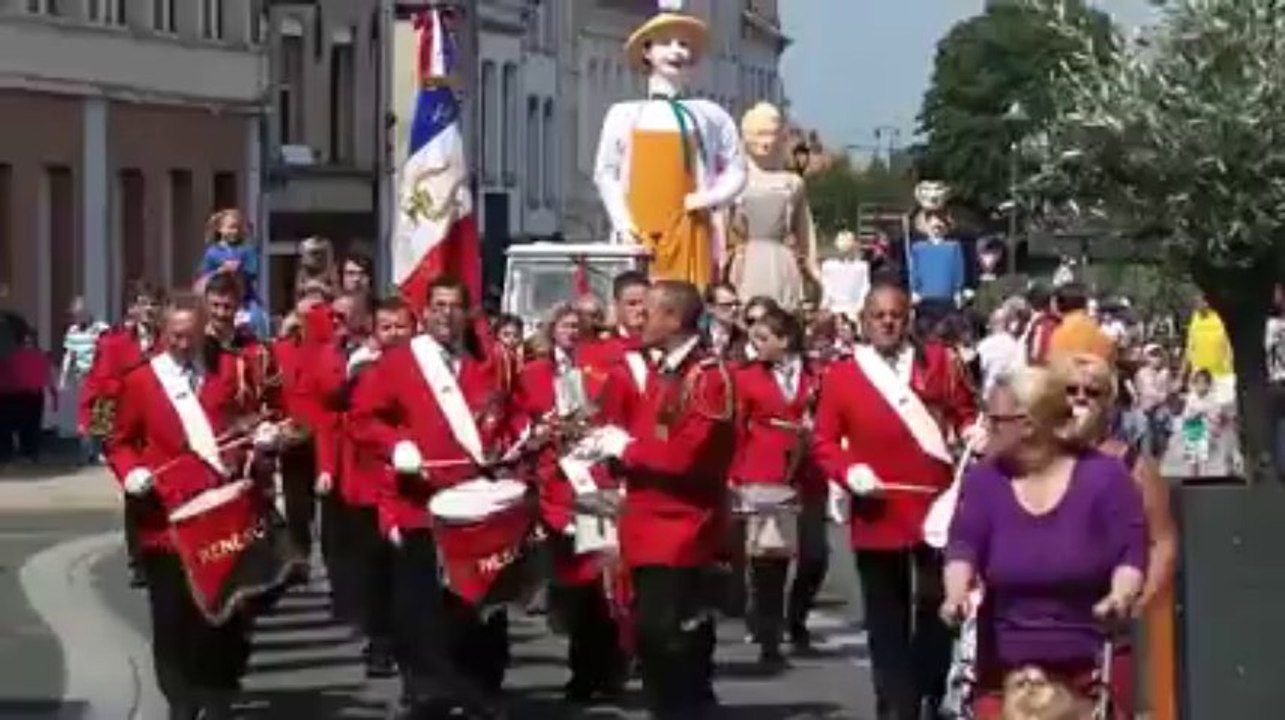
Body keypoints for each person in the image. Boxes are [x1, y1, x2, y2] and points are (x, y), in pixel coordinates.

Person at [348, 276, 518, 719]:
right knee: (422, 607)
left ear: (468, 313)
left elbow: (511, 416)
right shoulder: (401, 362)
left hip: (480, 505)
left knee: (481, 603)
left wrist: (514, 446)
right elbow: (363, 418)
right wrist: (396, 445)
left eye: (455, 305)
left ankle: (482, 687)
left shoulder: (488, 361)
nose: (446, 314)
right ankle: (428, 691)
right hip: (420, 504)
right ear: (424, 313)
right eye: (438, 305)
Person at [104, 293, 278, 719]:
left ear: (203, 331)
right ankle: (180, 699)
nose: (183, 344)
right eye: (175, 336)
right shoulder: (141, 380)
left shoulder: (227, 371)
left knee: (224, 614)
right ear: (164, 334)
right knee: (173, 616)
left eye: (190, 335)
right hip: (168, 521)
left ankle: (217, 694)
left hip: (223, 514)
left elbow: (247, 419)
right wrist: (130, 473)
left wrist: (261, 439)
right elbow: (118, 440)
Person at [812, 280, 977, 720]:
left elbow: (966, 415)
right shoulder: (842, 374)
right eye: (878, 315)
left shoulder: (940, 363)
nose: (887, 322)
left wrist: (971, 434)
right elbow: (823, 441)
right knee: (885, 614)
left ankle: (929, 689)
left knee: (935, 606)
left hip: (934, 508)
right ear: (864, 322)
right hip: (877, 506)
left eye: (896, 315)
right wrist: (848, 471)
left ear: (908, 320)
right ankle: (895, 699)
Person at [942, 365, 1147, 719]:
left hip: (1088, 662)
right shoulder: (985, 480)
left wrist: (1119, 596)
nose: (984, 428)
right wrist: (956, 595)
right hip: (1005, 667)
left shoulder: (1105, 477)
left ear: (1029, 424)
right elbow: (964, 545)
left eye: (994, 420)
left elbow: (1131, 552)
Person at [573, 279, 737, 718]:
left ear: (674, 319)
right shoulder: (666, 370)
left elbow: (686, 455)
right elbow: (655, 435)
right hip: (648, 521)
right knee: (649, 636)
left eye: (649, 310)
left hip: (681, 524)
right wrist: (612, 453)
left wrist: (624, 447)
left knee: (665, 635)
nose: (639, 319)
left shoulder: (706, 377)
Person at [519, 304, 630, 703]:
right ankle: (582, 669)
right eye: (564, 325)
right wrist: (540, 430)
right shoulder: (531, 374)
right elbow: (521, 427)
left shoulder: (602, 371)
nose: (570, 331)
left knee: (600, 583)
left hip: (595, 485)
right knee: (570, 583)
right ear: (551, 330)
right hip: (555, 488)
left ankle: (604, 668)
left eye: (577, 326)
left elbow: (618, 418)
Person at [594, 1, 747, 291]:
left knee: (687, 300)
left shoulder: (707, 115)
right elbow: (606, 173)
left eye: (683, 44)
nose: (676, 51)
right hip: (640, 232)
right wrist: (623, 224)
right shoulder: (624, 114)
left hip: (690, 230)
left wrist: (708, 198)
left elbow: (738, 170)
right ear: (647, 52)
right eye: (666, 43)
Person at [732, 306, 829, 667]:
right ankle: (769, 637)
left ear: (785, 340)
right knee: (769, 559)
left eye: (763, 339)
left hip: (810, 473)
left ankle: (797, 618)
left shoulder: (818, 375)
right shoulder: (747, 377)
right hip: (765, 474)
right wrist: (736, 474)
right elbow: (738, 428)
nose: (754, 346)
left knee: (814, 555)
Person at [336, 296, 416, 680]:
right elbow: (356, 423)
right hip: (371, 487)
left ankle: (413, 643)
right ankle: (380, 643)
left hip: (415, 487)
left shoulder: (426, 369)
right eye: (387, 327)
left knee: (412, 572)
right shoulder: (364, 371)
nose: (395, 333)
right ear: (374, 332)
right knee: (376, 572)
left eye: (401, 326)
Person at [82, 280, 163, 586]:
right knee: (136, 492)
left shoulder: (169, 341)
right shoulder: (114, 344)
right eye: (143, 303)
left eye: (155, 304)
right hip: (126, 430)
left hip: (160, 429)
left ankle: (162, 553)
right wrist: (99, 432)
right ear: (132, 309)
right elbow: (101, 386)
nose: (149, 310)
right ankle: (138, 560)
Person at [197, 209, 268, 339]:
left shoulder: (246, 250)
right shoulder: (212, 252)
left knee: (258, 318)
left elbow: (253, 272)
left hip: (245, 298)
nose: (234, 232)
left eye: (237, 228)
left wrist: (239, 269)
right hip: (220, 295)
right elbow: (203, 275)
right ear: (220, 229)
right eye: (230, 228)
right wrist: (220, 271)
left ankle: (260, 341)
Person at [59, 297, 109, 445]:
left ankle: (100, 447)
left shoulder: (101, 328)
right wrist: (63, 377)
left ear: (87, 313)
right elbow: (69, 354)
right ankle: (85, 447)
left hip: (100, 374)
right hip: (83, 374)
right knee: (85, 411)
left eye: (80, 314)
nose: (78, 318)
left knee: (100, 409)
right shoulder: (72, 331)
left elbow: (110, 348)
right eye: (75, 315)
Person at [5, 330, 54, 464]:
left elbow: (46, 377)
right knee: (31, 425)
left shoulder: (13, 357)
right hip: (28, 395)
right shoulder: (37, 357)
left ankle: (24, 452)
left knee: (23, 425)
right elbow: (47, 377)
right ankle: (29, 452)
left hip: (21, 395)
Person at [977, 305, 1025, 394]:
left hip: (990, 396)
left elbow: (977, 373)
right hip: (1012, 397)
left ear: (991, 324)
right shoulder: (1017, 345)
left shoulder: (984, 346)